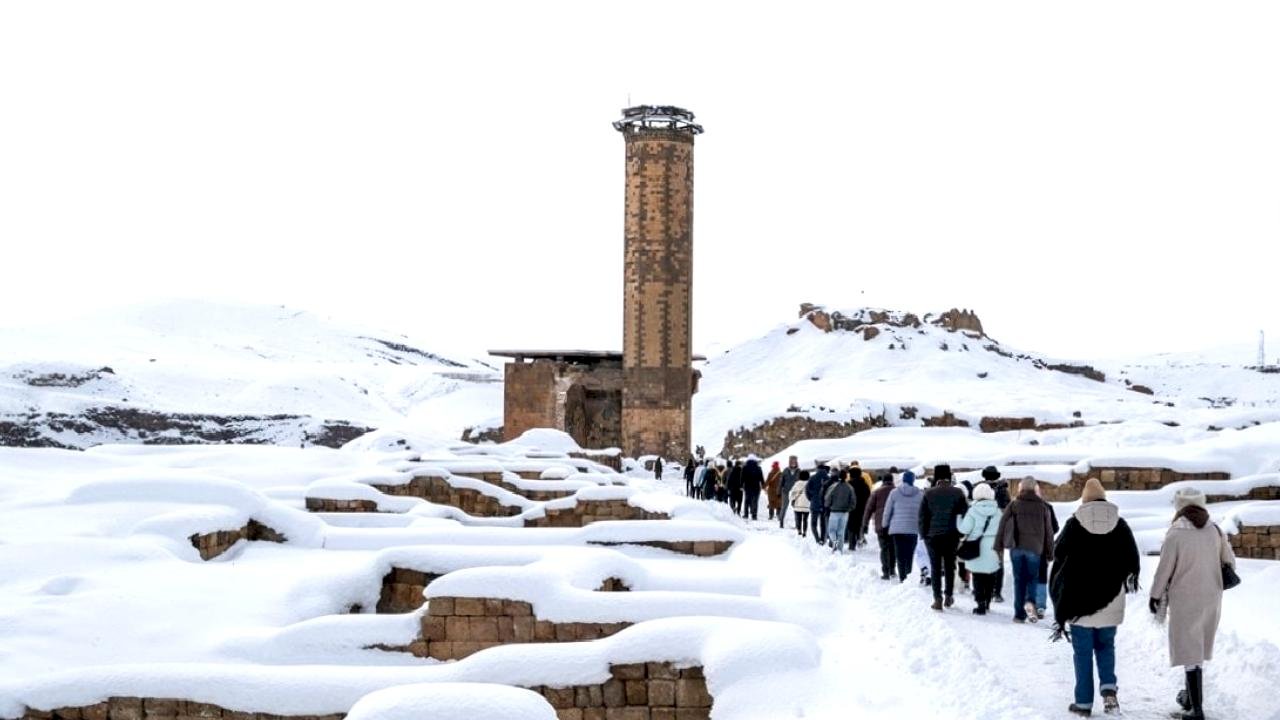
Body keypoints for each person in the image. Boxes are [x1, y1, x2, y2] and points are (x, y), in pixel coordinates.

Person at [1050, 478, 1141, 717]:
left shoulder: (1073, 523)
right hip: (1110, 600)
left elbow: (1057, 553)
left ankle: (1083, 703)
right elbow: (1132, 558)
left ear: (1084, 499)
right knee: (1106, 647)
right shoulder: (1120, 524)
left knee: (1082, 654)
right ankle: (1109, 691)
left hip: (1079, 602)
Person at [1149, 488, 1236, 720]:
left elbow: (1163, 571)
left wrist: (1155, 596)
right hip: (1211, 597)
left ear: (1180, 507)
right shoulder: (1215, 530)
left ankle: (1197, 711)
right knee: (1196, 649)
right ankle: (1189, 700)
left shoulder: (1175, 533)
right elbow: (1230, 562)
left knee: (1189, 650)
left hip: (1185, 599)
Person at [994, 476, 1056, 624]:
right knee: (1032, 579)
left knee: (1019, 580)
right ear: (1035, 489)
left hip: (1017, 548)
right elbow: (1049, 531)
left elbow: (1002, 525)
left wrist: (998, 545)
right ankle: (1030, 601)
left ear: (1021, 488)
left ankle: (1019, 615)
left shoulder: (1014, 504)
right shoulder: (1042, 506)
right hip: (1035, 548)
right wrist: (1049, 552)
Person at [919, 463, 969, 610]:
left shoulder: (928, 493)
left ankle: (937, 598)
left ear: (936, 477)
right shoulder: (958, 493)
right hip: (951, 536)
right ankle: (948, 595)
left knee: (935, 568)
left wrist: (924, 535)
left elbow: (922, 517)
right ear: (949, 476)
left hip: (933, 536)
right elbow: (965, 514)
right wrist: (960, 533)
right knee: (949, 566)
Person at [957, 482, 1002, 615]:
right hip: (993, 547)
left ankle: (980, 603)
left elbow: (964, 529)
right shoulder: (998, 511)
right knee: (990, 575)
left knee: (977, 576)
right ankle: (988, 601)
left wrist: (959, 518)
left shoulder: (973, 510)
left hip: (976, 546)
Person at [883, 470, 924, 582]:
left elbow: (887, 510)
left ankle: (902, 578)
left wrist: (885, 524)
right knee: (909, 555)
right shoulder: (920, 494)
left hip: (897, 529)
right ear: (913, 480)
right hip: (913, 529)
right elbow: (923, 513)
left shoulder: (894, 493)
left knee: (900, 555)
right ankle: (908, 575)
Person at [979, 465, 1012, 603]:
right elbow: (1009, 510)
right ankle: (996, 592)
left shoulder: (980, 489)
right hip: (999, 530)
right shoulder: (1003, 490)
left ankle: (983, 589)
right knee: (998, 561)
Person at [863, 472, 897, 580]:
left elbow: (868, 509)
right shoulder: (897, 492)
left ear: (883, 481)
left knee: (884, 548)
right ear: (892, 481)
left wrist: (865, 524)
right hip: (894, 525)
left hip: (881, 524)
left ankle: (886, 571)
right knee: (893, 548)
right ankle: (892, 569)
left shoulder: (877, 492)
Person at [824, 471, 856, 553]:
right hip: (845, 512)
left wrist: (827, 506)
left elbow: (828, 498)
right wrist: (849, 509)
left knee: (831, 530)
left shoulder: (833, 487)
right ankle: (840, 549)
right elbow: (853, 501)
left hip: (834, 511)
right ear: (846, 477)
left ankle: (834, 543)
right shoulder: (850, 487)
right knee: (841, 532)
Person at [848, 461, 872, 548]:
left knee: (851, 526)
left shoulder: (848, 485)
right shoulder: (865, 485)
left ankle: (851, 545)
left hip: (851, 510)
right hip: (862, 509)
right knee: (860, 524)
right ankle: (860, 539)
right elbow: (869, 496)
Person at [805, 461, 830, 544]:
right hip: (825, 505)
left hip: (814, 504)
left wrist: (811, 499)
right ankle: (823, 539)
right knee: (823, 524)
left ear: (817, 469)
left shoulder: (812, 478)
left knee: (813, 524)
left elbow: (807, 491)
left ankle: (817, 539)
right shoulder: (828, 478)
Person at [778, 456, 801, 529]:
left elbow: (801, 482)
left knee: (797, 508)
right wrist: (778, 491)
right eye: (792, 461)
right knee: (784, 507)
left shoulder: (799, 471)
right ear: (790, 462)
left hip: (795, 492)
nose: (793, 463)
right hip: (786, 491)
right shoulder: (785, 470)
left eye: (795, 461)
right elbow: (781, 481)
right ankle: (781, 522)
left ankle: (797, 525)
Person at [741, 455, 764, 520]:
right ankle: (754, 515)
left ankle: (746, 514)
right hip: (756, 487)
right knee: (755, 501)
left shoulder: (744, 468)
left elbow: (742, 478)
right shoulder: (758, 468)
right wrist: (763, 485)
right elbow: (761, 478)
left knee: (747, 501)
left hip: (747, 487)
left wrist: (741, 485)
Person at [789, 470, 811, 537]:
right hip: (807, 505)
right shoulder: (810, 483)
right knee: (805, 519)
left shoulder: (797, 483)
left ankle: (799, 530)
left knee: (798, 519)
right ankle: (804, 532)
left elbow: (792, 493)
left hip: (798, 504)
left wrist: (792, 500)